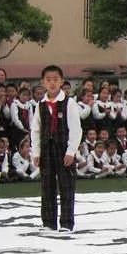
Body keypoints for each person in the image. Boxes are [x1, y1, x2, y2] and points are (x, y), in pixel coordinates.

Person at [30, 65, 82, 232]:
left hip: (63, 149)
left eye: (55, 79)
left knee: (66, 186)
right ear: (42, 82)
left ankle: (66, 223)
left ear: (61, 81)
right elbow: (36, 130)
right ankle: (48, 222)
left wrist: (71, 152)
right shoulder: (40, 105)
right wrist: (36, 152)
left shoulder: (69, 102)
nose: (52, 83)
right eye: (48, 80)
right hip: (46, 150)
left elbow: (76, 129)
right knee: (47, 186)